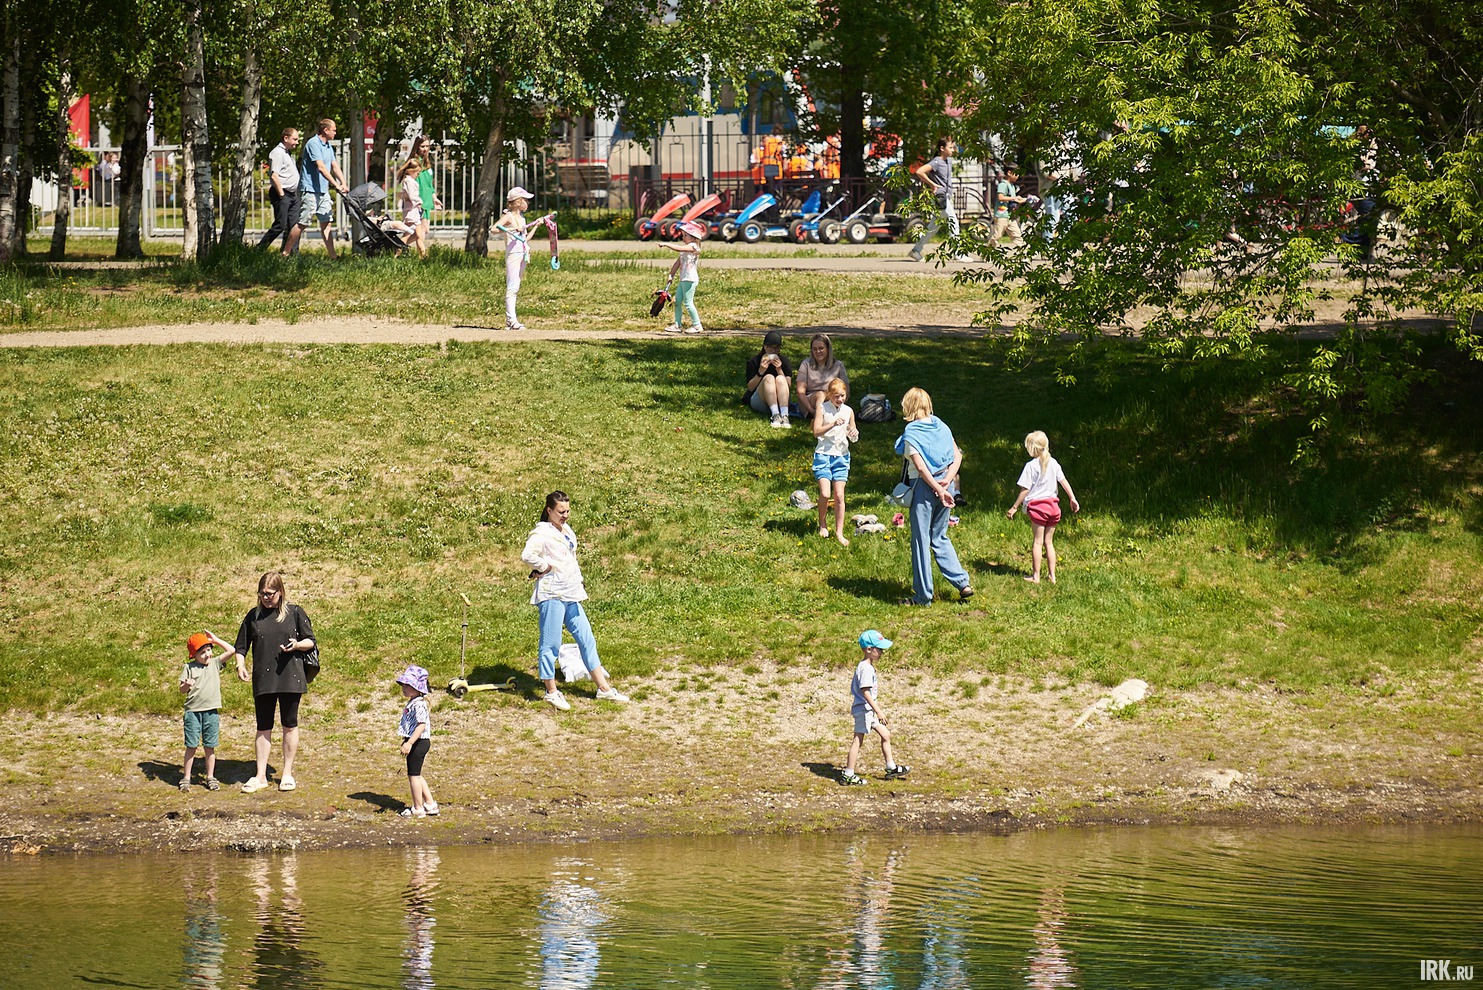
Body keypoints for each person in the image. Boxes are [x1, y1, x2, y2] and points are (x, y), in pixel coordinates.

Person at [520, 491, 630, 711]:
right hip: (553, 595)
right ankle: (551, 692)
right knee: (550, 645)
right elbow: (527, 555)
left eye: (568, 511)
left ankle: (604, 689)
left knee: (586, 639)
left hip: (571, 593)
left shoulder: (566, 530)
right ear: (549, 510)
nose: (565, 515)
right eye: (561, 512)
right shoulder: (541, 532)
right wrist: (544, 567)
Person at [234, 571, 317, 793]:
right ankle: (260, 775)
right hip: (263, 678)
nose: (266, 598)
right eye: (262, 594)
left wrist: (297, 645)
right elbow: (240, 647)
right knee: (263, 726)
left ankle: (287, 773)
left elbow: (311, 641)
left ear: (280, 592)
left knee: (289, 724)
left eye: (270, 594)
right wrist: (240, 665)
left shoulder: (295, 612)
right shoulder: (253, 616)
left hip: (291, 676)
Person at [894, 387, 974, 606]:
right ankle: (963, 583)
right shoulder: (942, 426)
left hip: (925, 488)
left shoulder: (911, 431)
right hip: (945, 485)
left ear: (908, 406)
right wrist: (947, 482)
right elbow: (957, 456)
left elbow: (920, 467)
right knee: (940, 536)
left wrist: (938, 489)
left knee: (921, 540)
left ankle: (922, 596)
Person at [1007, 430, 1081, 583]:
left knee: (1038, 542)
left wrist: (1014, 507)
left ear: (1032, 448)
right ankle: (1052, 576)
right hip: (1054, 507)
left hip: (1038, 508)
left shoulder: (1031, 466)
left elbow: (1025, 489)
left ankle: (1036, 576)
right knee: (1049, 542)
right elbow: (1064, 481)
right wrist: (1072, 498)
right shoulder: (1053, 463)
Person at [840, 630, 909, 785]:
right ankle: (848, 774)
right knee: (858, 740)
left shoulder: (867, 667)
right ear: (869, 649)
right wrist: (879, 711)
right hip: (864, 710)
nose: (882, 652)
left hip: (868, 711)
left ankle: (891, 767)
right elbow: (865, 692)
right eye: (880, 649)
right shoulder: (865, 668)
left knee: (886, 735)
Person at [179, 630, 244, 792]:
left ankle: (210, 776)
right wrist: (187, 684)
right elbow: (181, 690)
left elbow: (232, 650)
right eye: (202, 652)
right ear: (194, 655)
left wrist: (215, 640)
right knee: (191, 746)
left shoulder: (215, 663)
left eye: (209, 650)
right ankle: (186, 777)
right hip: (193, 712)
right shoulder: (189, 667)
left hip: (211, 712)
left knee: (210, 746)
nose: (207, 655)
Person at [286, 118, 349, 259]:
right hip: (310, 190)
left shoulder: (328, 146)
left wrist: (343, 183)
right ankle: (285, 252)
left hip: (323, 190)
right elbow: (320, 167)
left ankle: (333, 256)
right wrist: (336, 185)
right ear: (325, 130)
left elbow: (334, 166)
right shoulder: (313, 143)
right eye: (334, 130)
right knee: (303, 223)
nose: (335, 132)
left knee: (326, 223)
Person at [812, 377, 859, 545]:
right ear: (829, 395)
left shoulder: (848, 411)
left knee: (839, 494)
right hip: (824, 454)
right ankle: (822, 522)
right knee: (825, 493)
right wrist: (832, 424)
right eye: (836, 396)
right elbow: (816, 432)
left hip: (842, 456)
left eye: (843, 395)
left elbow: (853, 436)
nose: (840, 399)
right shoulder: (822, 409)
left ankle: (839, 532)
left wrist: (853, 434)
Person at [909, 137, 963, 262]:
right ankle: (958, 253)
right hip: (940, 197)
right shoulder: (937, 162)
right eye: (950, 147)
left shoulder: (948, 161)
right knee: (953, 221)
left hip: (946, 197)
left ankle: (916, 250)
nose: (953, 150)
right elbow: (919, 171)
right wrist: (932, 184)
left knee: (933, 227)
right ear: (942, 148)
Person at [395, 664, 439, 818]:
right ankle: (430, 804)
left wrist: (409, 743)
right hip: (417, 741)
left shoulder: (419, 704)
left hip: (419, 742)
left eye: (408, 685)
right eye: (404, 684)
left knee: (413, 776)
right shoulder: (414, 702)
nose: (404, 688)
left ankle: (417, 807)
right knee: (417, 774)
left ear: (417, 687)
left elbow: (421, 725)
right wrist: (406, 739)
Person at [495, 186, 536, 330]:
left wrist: (536, 225)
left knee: (516, 286)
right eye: (525, 200)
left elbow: (525, 239)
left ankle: (510, 320)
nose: (527, 203)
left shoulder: (522, 219)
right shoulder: (509, 216)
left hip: (522, 253)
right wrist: (512, 229)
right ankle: (512, 319)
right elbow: (494, 228)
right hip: (513, 255)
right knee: (512, 287)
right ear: (518, 202)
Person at [258, 127, 300, 252]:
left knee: (294, 226)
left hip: (292, 194)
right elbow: (274, 175)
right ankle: (259, 249)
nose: (297, 142)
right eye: (295, 139)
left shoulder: (287, 152)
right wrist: (281, 194)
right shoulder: (277, 153)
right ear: (285, 138)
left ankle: (291, 254)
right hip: (282, 193)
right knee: (280, 225)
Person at [660, 219, 705, 333]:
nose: (683, 237)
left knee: (688, 303)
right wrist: (671, 275)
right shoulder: (685, 250)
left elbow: (679, 248)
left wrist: (666, 244)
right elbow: (678, 263)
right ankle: (677, 324)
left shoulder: (693, 247)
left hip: (690, 279)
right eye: (683, 235)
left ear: (693, 237)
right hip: (683, 279)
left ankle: (697, 325)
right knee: (677, 301)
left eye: (685, 235)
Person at [744, 329, 794, 428]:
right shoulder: (754, 361)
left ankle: (784, 415)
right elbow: (750, 387)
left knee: (780, 378)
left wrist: (779, 370)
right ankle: (775, 415)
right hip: (760, 400)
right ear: (764, 347)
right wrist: (761, 371)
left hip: (781, 400)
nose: (773, 351)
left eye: (776, 348)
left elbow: (788, 386)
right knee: (769, 378)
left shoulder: (784, 361)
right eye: (769, 347)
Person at [795, 332, 849, 419]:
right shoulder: (806, 364)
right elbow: (800, 392)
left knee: (829, 394)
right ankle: (819, 418)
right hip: (810, 402)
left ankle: (828, 415)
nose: (818, 352)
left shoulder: (838, 365)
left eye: (821, 348)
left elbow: (846, 389)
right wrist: (813, 411)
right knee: (821, 394)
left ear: (828, 349)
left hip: (832, 398)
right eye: (814, 349)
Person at [409, 134, 443, 251]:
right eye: (422, 146)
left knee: (424, 230)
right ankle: (421, 256)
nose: (425, 149)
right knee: (421, 231)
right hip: (420, 201)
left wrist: (434, 198)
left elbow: (429, 184)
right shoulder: (414, 162)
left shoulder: (427, 163)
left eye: (427, 146)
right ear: (417, 147)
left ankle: (400, 245)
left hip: (428, 200)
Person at [396, 159, 427, 258]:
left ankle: (423, 256)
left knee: (417, 235)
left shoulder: (410, 181)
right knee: (412, 234)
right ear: (411, 171)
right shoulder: (408, 181)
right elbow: (412, 196)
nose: (418, 175)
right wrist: (420, 201)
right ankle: (396, 251)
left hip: (413, 211)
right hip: (411, 212)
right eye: (417, 173)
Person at [994, 165, 1029, 247]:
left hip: (1010, 216)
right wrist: (1014, 198)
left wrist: (1021, 200)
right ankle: (987, 252)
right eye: (1016, 174)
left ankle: (1025, 255)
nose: (1018, 176)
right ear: (1009, 173)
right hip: (1001, 215)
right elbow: (1001, 197)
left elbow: (1012, 200)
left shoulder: (1012, 186)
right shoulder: (1003, 185)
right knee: (997, 236)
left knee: (1017, 236)